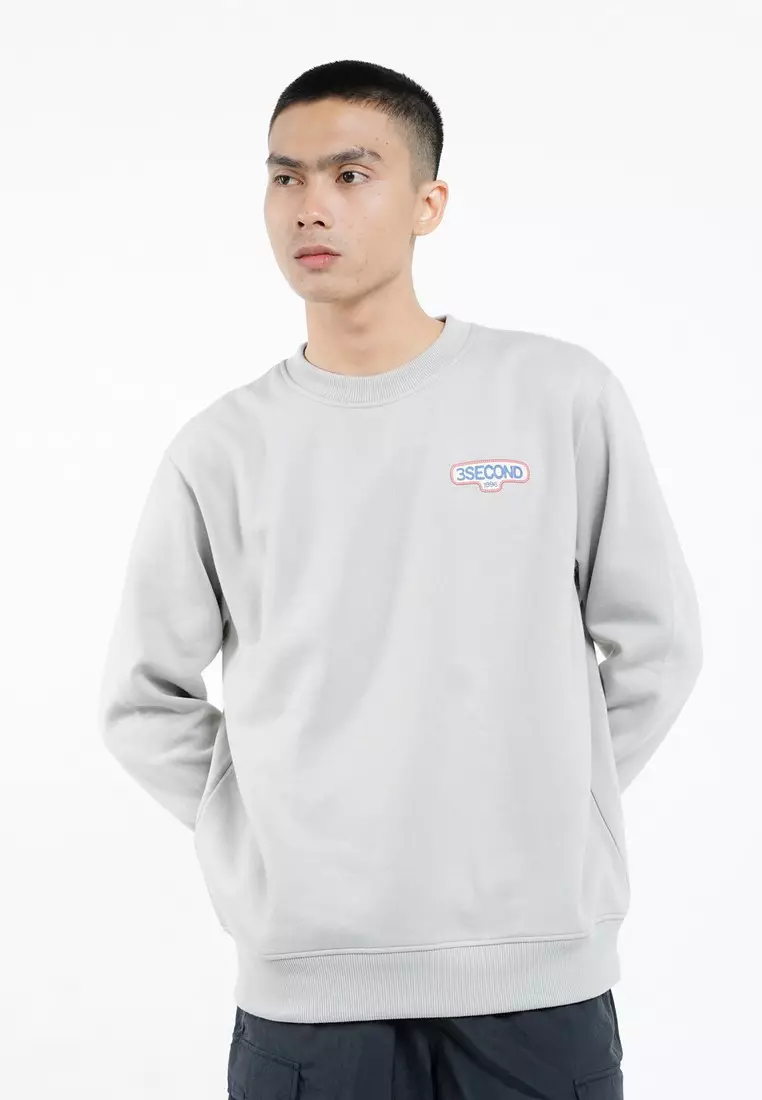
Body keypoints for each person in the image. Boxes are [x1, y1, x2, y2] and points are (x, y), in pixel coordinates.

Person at [97, 59, 703, 1099]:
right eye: (285, 177)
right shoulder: (222, 449)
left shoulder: (555, 395)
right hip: (309, 997)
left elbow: (658, 644)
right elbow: (142, 697)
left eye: (350, 173)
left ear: (429, 203)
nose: (310, 206)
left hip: (537, 984)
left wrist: (554, 802)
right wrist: (266, 830)